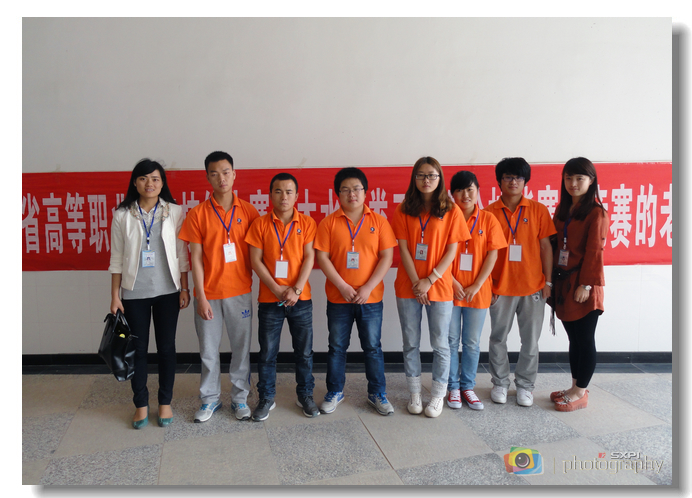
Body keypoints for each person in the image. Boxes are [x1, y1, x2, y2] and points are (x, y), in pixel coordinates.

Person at [178, 151, 260, 422]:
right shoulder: (198, 214)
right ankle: (210, 399)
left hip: (240, 292)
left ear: (234, 175)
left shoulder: (249, 211)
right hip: (209, 294)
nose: (221, 178)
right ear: (207, 178)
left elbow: (258, 254)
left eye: (226, 172)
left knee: (241, 349)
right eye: (214, 173)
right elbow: (196, 258)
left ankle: (240, 398)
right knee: (208, 351)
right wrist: (200, 296)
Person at [108, 158, 190, 429]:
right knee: (138, 350)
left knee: (166, 348)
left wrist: (185, 287)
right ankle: (141, 404)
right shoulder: (122, 215)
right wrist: (115, 295)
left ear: (162, 183)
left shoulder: (174, 211)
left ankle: (165, 402)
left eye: (155, 179)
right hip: (134, 293)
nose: (149, 183)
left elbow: (181, 253)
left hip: (168, 291)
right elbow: (116, 258)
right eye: (143, 178)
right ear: (135, 182)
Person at [314, 167, 397, 416]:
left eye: (357, 189)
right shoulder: (329, 223)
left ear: (365, 191)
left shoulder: (379, 222)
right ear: (338, 194)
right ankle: (334, 391)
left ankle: (377, 393)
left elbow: (387, 257)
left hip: (371, 298)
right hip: (339, 297)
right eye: (346, 190)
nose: (352, 194)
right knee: (337, 347)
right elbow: (322, 257)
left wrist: (368, 287)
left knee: (372, 347)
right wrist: (342, 285)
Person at [392, 157, 470, 418]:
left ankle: (437, 396)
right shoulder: (404, 208)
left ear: (440, 178)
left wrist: (430, 280)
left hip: (439, 286)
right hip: (409, 286)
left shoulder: (451, 210)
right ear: (414, 178)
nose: (426, 180)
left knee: (440, 344)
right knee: (410, 343)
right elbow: (403, 249)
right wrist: (418, 283)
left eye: (432, 175)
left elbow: (452, 251)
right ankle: (415, 393)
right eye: (421, 175)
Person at [245, 173, 319, 421]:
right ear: (270, 195)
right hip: (270, 300)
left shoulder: (307, 223)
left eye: (289, 192)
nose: (284, 196)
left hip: (301, 299)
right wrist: (278, 290)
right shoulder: (260, 224)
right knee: (267, 353)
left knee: (304, 352)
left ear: (297, 196)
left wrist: (295, 290)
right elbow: (255, 261)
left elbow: (309, 257)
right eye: (278, 191)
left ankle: (305, 395)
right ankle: (266, 397)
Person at [484, 157, 557, 407]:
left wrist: (548, 282)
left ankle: (525, 385)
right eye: (508, 177)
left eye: (518, 177)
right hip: (500, 288)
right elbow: (484, 253)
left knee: (531, 341)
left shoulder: (538, 210)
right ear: (499, 181)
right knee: (498, 338)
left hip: (533, 286)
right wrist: (488, 285)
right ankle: (500, 383)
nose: (513, 182)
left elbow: (546, 247)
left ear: (525, 181)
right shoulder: (488, 213)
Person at [549, 157, 608, 412]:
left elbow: (595, 251)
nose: (573, 183)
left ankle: (581, 392)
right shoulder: (563, 210)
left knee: (585, 339)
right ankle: (574, 387)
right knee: (573, 339)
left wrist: (586, 285)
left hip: (583, 286)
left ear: (591, 180)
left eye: (579, 178)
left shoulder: (596, 213)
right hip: (564, 284)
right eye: (569, 178)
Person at [446, 171, 507, 411]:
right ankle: (452, 387)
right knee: (451, 341)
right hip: (449, 290)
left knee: (471, 342)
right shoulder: (446, 218)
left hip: (477, 292)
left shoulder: (488, 219)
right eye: (460, 190)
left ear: (478, 191)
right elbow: (438, 254)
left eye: (470, 189)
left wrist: (477, 285)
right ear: (452, 194)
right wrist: (453, 282)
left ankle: (467, 387)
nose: (465, 195)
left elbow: (493, 255)